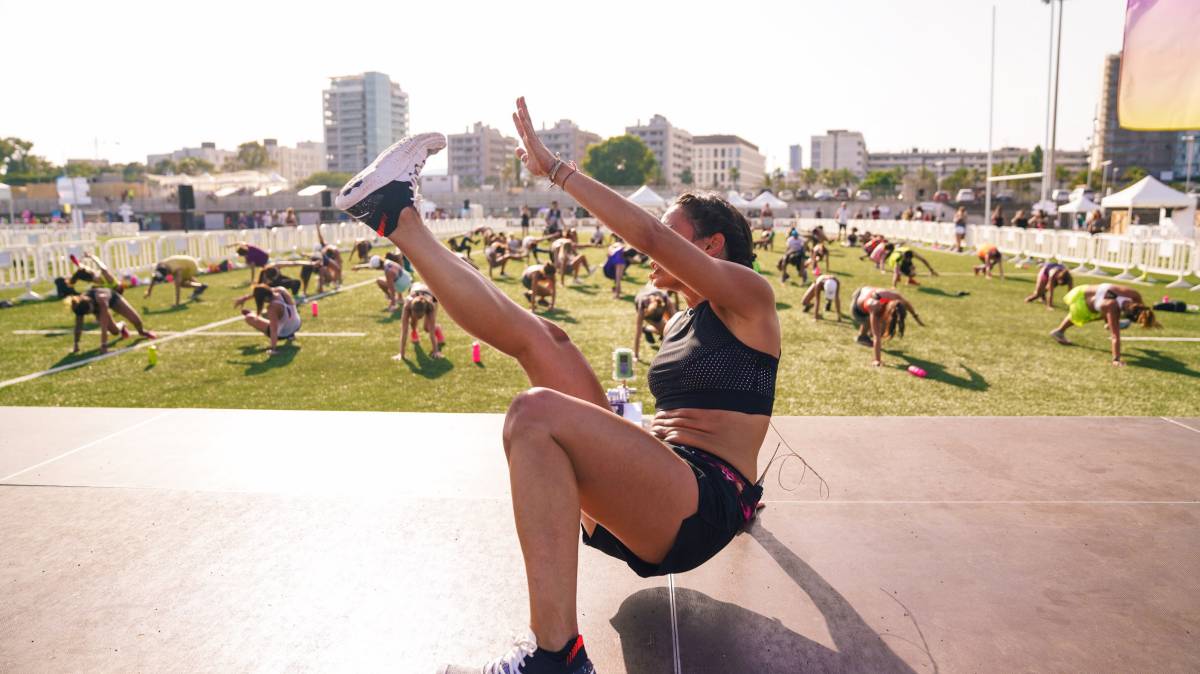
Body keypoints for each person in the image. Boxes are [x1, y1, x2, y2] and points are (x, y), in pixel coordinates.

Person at [333, 98, 778, 674]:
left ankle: (556, 659)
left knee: (534, 415)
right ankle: (397, 218)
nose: (657, 242)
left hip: (698, 506)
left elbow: (646, 233)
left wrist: (557, 170)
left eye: (675, 231)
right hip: (654, 491)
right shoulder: (678, 318)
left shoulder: (751, 299)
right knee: (545, 339)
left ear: (711, 246)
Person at [1051, 283, 1161, 366]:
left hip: (1084, 289)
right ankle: (1059, 331)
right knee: (1086, 317)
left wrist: (1152, 321)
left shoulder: (1134, 295)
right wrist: (1116, 360)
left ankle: (1109, 323)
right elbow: (1115, 337)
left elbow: (1144, 311)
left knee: (1107, 315)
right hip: (1083, 302)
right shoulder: (1113, 308)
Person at [850, 286, 925, 367]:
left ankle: (865, 334)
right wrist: (877, 360)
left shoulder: (896, 297)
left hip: (865, 293)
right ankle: (862, 337)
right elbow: (877, 336)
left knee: (880, 324)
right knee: (876, 326)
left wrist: (915, 316)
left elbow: (906, 303)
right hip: (858, 308)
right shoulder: (874, 306)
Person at [68, 286, 156, 354]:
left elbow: (104, 326)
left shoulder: (101, 299)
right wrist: (76, 343)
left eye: (89, 312)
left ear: (91, 303)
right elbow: (78, 326)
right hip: (98, 308)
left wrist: (103, 345)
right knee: (115, 332)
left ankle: (141, 332)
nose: (89, 314)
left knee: (136, 320)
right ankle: (122, 325)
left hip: (113, 299)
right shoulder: (79, 307)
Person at [233, 284, 300, 355]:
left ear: (265, 298)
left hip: (284, 333)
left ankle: (253, 314)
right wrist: (245, 298)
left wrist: (273, 349)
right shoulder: (281, 290)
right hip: (296, 325)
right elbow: (263, 292)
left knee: (249, 318)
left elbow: (274, 328)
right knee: (272, 315)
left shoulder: (272, 307)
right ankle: (291, 335)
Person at [395, 282, 445, 361]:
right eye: (416, 316)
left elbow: (431, 332)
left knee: (427, 328)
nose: (419, 319)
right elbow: (404, 331)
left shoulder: (430, 305)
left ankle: (437, 328)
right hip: (416, 288)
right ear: (411, 310)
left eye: (421, 316)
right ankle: (414, 332)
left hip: (431, 294)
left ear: (425, 311)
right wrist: (401, 354)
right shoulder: (407, 305)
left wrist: (436, 351)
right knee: (412, 323)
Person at [632, 283, 677, 361]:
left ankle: (647, 329)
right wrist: (636, 355)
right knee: (664, 330)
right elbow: (638, 332)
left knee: (668, 329)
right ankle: (648, 329)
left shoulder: (666, 300)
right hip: (647, 309)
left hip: (658, 306)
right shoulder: (642, 306)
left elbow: (677, 325)